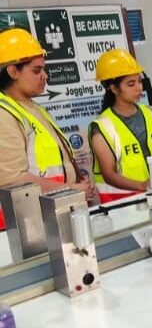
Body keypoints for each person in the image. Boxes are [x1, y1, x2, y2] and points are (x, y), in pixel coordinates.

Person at [0, 28, 96, 227]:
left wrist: (74, 189)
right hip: (28, 225)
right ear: (13, 72)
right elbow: (12, 179)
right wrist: (71, 191)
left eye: (44, 69)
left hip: (51, 217)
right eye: (36, 71)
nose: (44, 76)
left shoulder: (33, 108)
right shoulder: (4, 114)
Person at [90, 49, 152, 203]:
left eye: (139, 81)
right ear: (113, 88)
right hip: (124, 205)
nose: (139, 87)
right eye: (131, 84)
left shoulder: (148, 113)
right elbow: (109, 174)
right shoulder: (102, 126)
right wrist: (143, 186)